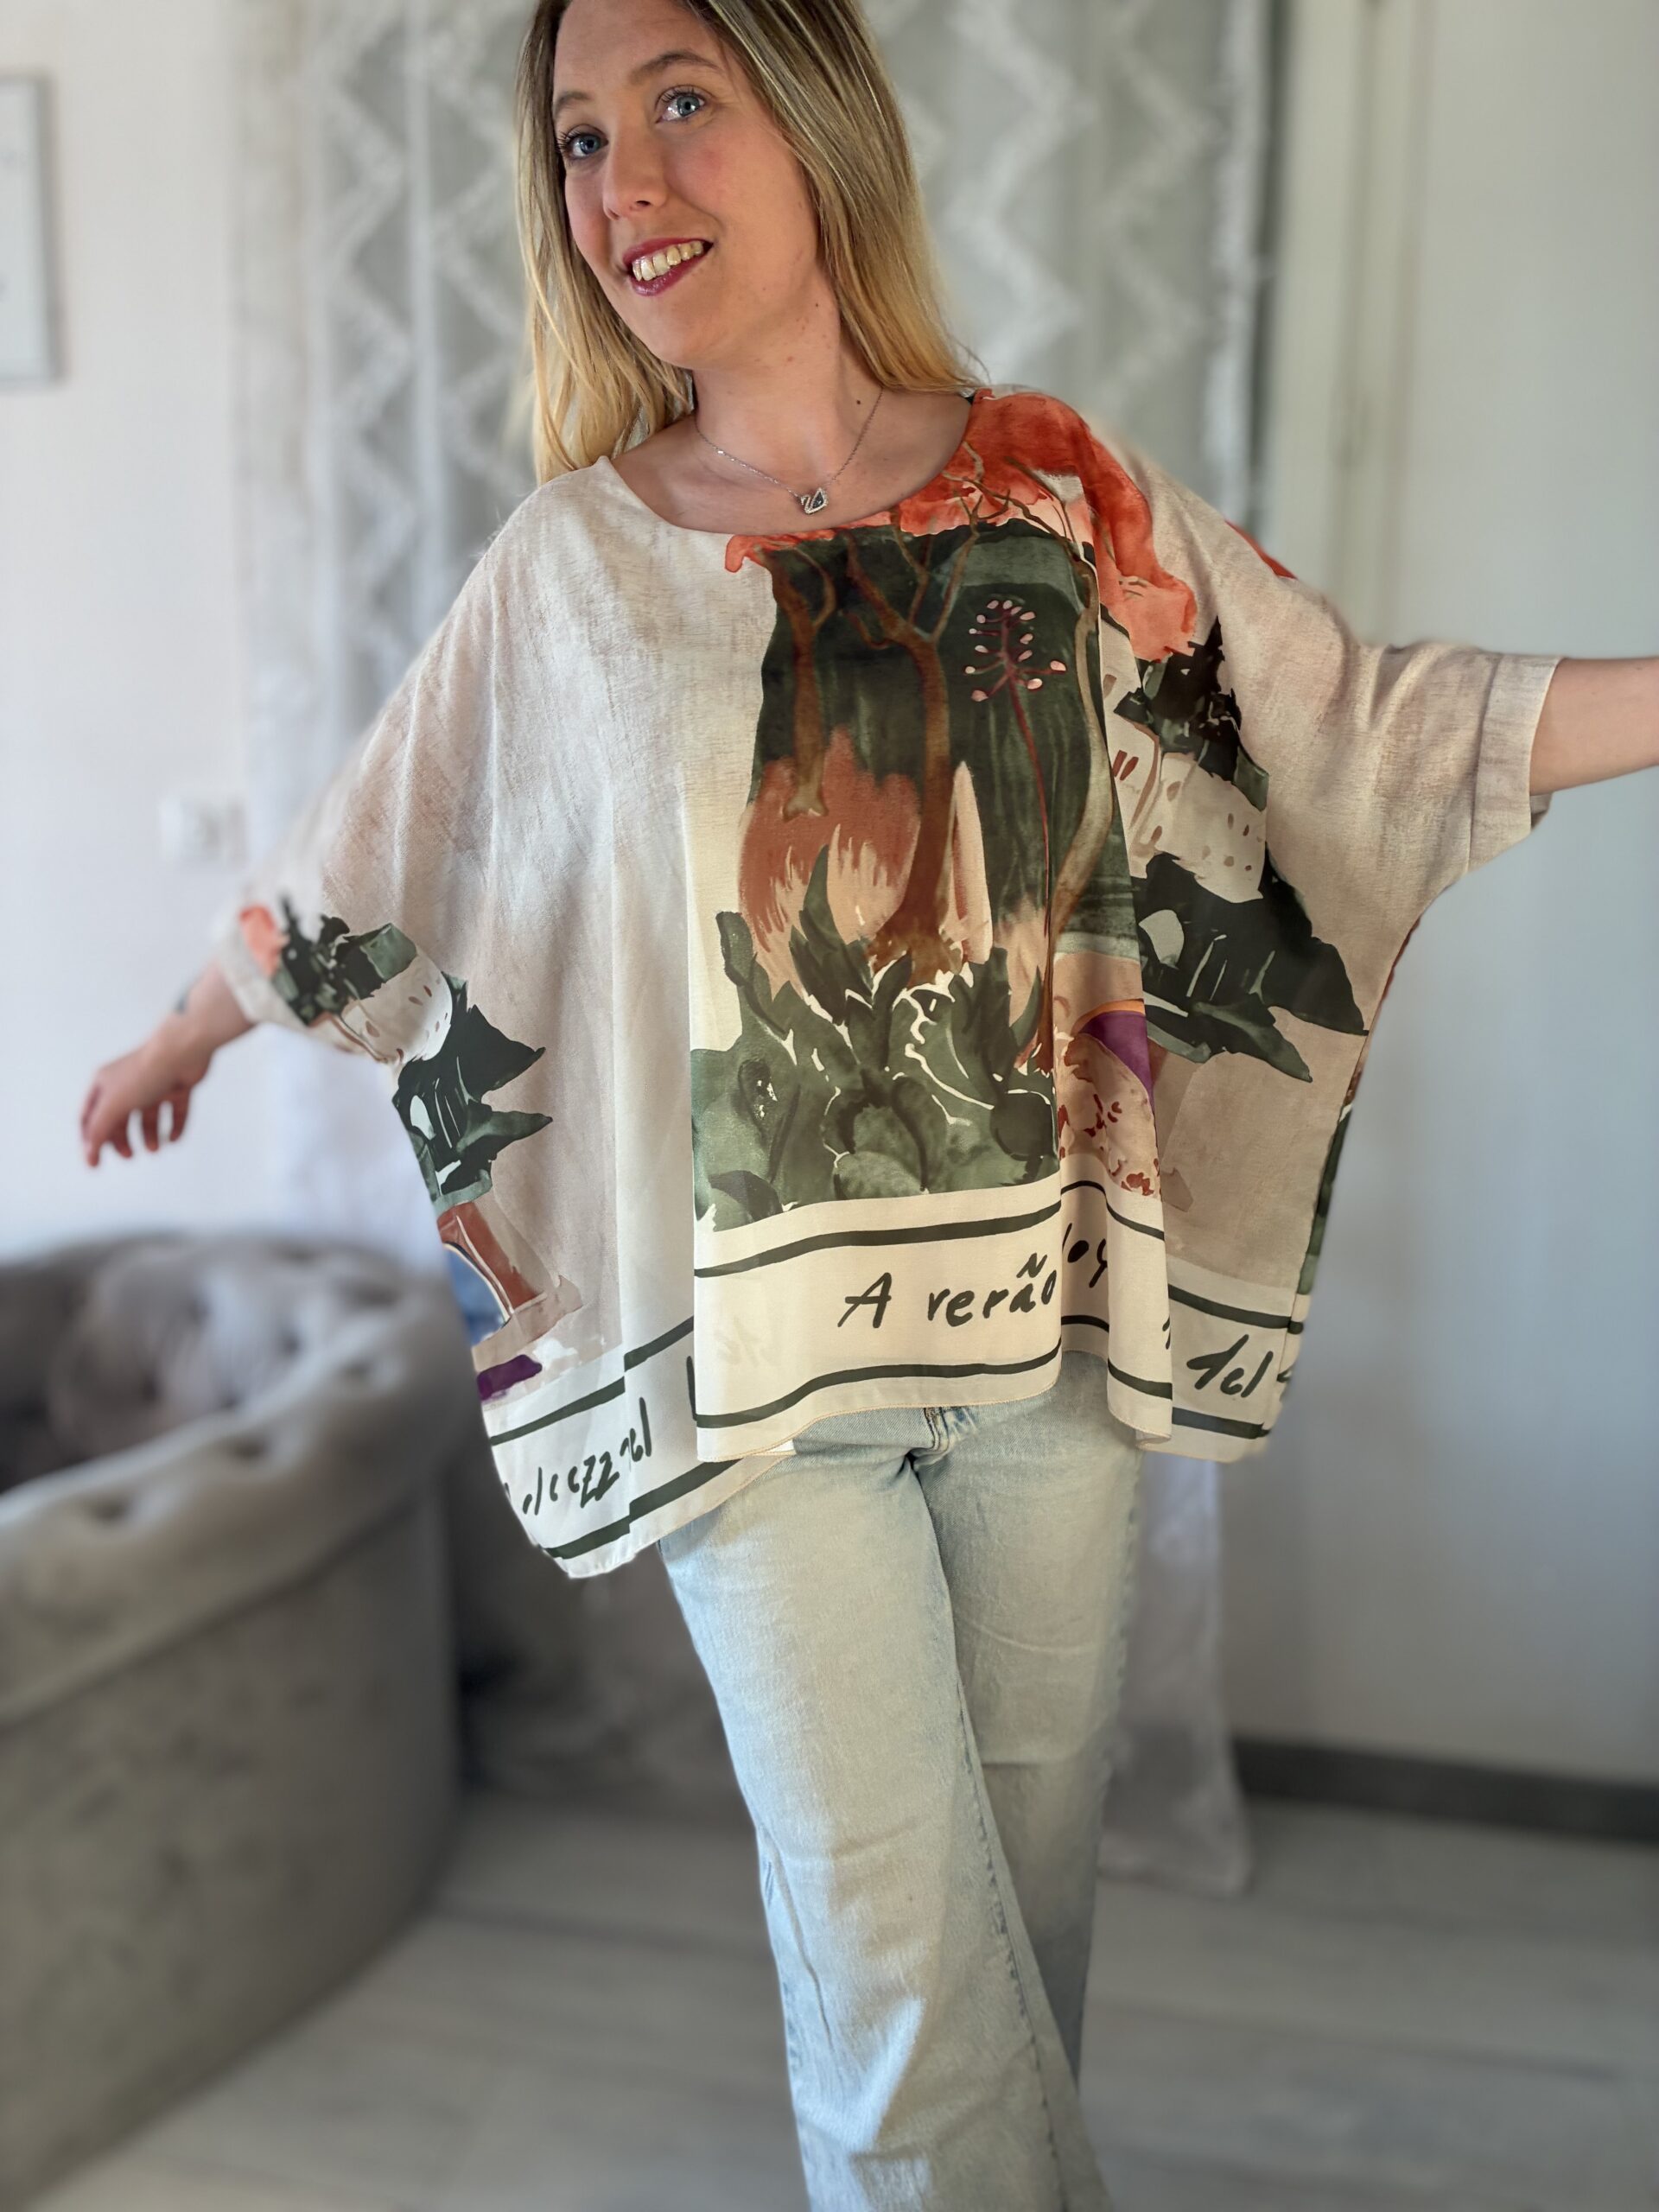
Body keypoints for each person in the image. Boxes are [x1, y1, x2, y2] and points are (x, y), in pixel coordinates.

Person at [78, 1, 1657, 2204]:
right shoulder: (572, 568)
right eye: (578, 137)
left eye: (681, 103)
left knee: (1017, 1948)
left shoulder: (1055, 487)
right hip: (751, 1387)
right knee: (910, 2004)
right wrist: (188, 1022)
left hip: (1045, 1344)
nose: (625, 182)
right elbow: (380, 852)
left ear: (815, 119)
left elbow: (1361, 723)